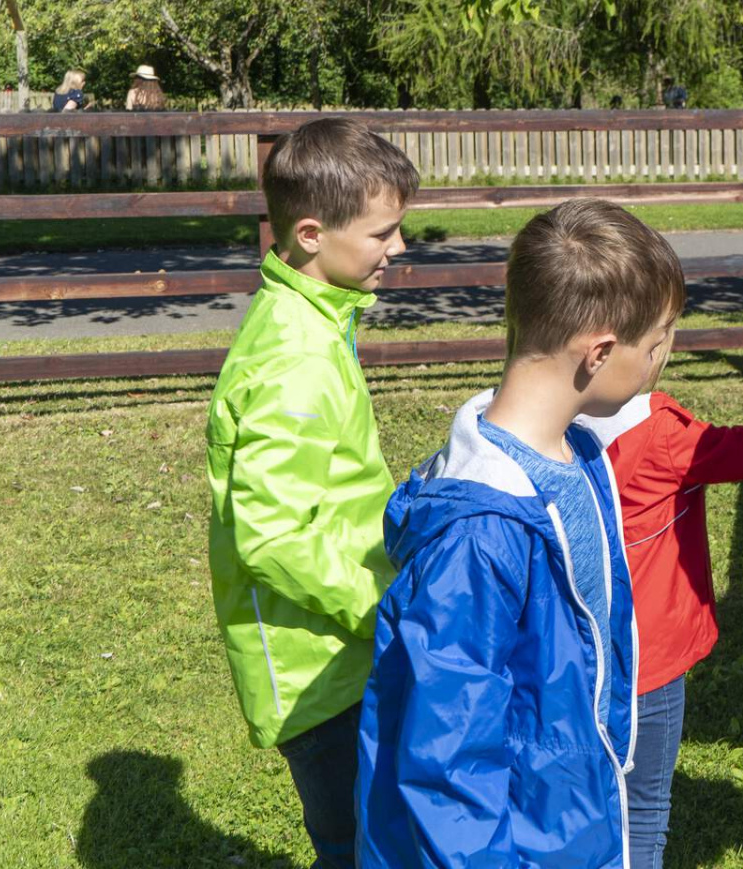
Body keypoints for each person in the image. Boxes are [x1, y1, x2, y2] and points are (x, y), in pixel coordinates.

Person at [357, 198, 678, 869]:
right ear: (600, 352)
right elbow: (447, 760)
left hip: (565, 820)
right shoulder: (480, 536)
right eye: (657, 346)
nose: (660, 365)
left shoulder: (578, 456)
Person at [205, 118, 419, 869]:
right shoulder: (295, 355)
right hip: (319, 670)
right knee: (356, 843)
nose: (399, 248)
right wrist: (381, 608)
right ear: (309, 234)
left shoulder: (317, 322)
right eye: (383, 233)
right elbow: (271, 537)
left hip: (343, 648)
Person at [580, 340, 743, 868]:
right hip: (649, 666)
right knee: (644, 810)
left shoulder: (550, 425)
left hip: (577, 660)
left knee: (588, 801)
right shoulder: (661, 436)